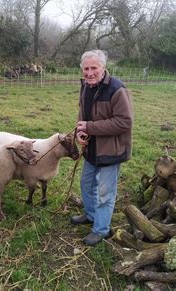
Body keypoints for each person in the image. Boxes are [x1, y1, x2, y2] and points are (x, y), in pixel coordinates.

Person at [71, 49, 134, 246]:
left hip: (111, 150)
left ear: (103, 68)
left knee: (105, 193)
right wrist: (81, 132)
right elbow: (83, 112)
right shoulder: (86, 86)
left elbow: (125, 122)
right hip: (92, 147)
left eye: (94, 68)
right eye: (86, 68)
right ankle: (90, 215)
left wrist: (90, 127)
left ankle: (101, 229)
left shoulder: (117, 89)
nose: (89, 72)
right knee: (86, 184)